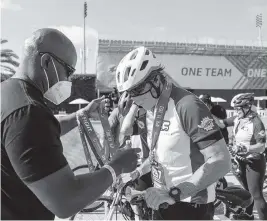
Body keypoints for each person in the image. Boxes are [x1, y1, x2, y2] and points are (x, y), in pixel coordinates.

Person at [1, 28, 140, 220]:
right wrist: (117, 166)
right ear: (46, 62)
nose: (69, 80)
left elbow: (44, 132)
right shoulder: (29, 112)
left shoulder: (9, 94)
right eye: (69, 71)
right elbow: (67, 200)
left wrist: (80, 115)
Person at [115, 46, 231, 220]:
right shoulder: (150, 109)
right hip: (163, 202)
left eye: (138, 90)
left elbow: (220, 160)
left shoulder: (187, 105)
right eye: (130, 93)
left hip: (190, 206)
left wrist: (175, 194)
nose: (134, 98)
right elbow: (160, 156)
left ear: (156, 79)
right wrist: (137, 172)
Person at [215, 93, 267, 220]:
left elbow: (261, 146)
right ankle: (249, 216)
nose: (236, 111)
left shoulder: (256, 122)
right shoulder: (238, 119)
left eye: (238, 108)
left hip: (253, 162)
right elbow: (221, 124)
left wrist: (245, 148)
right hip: (240, 161)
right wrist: (205, 111)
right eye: (235, 109)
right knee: (246, 192)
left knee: (256, 194)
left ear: (247, 107)